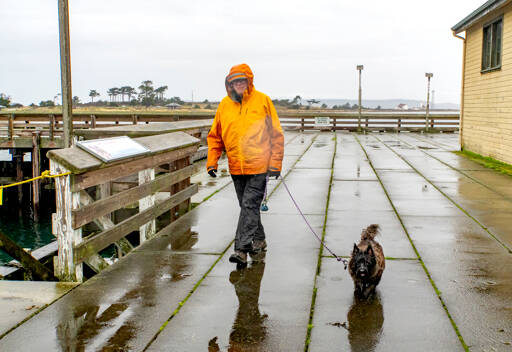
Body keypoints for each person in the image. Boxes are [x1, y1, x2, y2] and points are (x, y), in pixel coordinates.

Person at [206, 63, 284, 266]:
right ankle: (259, 239)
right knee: (247, 207)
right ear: (229, 84)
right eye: (235, 81)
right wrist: (212, 162)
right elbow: (215, 136)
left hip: (259, 165)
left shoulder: (262, 101)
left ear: (249, 81)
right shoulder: (224, 105)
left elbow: (276, 133)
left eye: (242, 80)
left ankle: (240, 249)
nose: (239, 84)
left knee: (249, 206)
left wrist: (275, 163)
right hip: (235, 166)